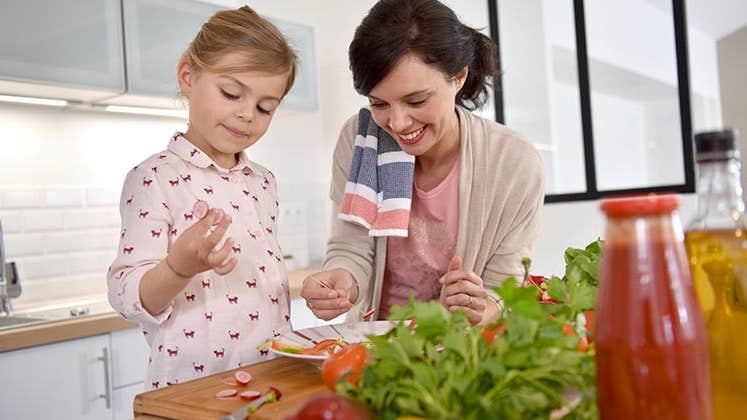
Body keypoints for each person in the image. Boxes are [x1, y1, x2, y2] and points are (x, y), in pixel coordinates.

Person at [300, 0, 544, 326]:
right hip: (375, 343)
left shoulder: (513, 161)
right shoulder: (361, 138)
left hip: (463, 345)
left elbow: (504, 287)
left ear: (458, 77)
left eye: (416, 101)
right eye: (379, 103)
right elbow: (350, 247)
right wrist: (340, 281)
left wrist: (480, 307)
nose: (398, 123)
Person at [107, 6, 297, 388]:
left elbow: (261, 287)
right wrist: (178, 267)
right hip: (190, 393)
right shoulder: (155, 178)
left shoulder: (263, 182)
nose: (247, 114)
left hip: (270, 382)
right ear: (188, 76)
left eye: (265, 107)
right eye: (231, 93)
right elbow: (126, 295)